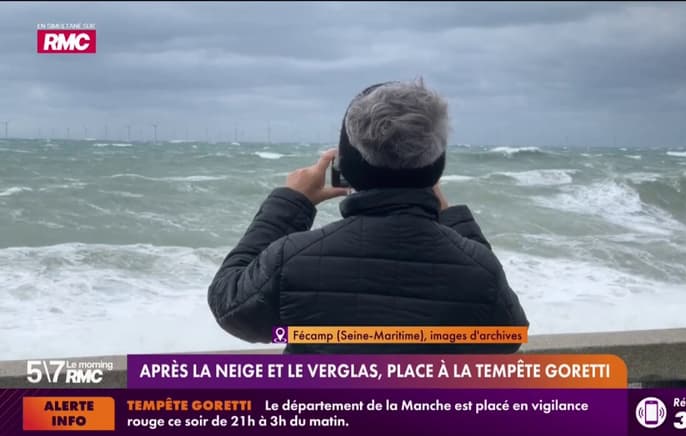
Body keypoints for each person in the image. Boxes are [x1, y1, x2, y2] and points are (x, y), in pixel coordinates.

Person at [207, 80, 528, 353]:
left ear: (345, 163)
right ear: (434, 164)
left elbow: (229, 305)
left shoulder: (292, 259)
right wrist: (450, 216)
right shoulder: (477, 269)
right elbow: (507, 336)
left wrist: (290, 202)